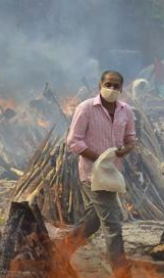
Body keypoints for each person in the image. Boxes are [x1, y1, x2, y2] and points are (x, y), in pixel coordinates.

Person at [63, 71, 137, 277]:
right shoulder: (86, 108)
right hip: (92, 175)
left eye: (116, 86)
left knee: (93, 221)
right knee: (112, 223)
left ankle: (60, 250)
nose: (111, 89)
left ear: (121, 89)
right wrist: (99, 158)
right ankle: (122, 271)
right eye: (108, 84)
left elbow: (131, 138)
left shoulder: (126, 111)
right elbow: (74, 141)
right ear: (100, 85)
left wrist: (125, 149)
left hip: (112, 175)